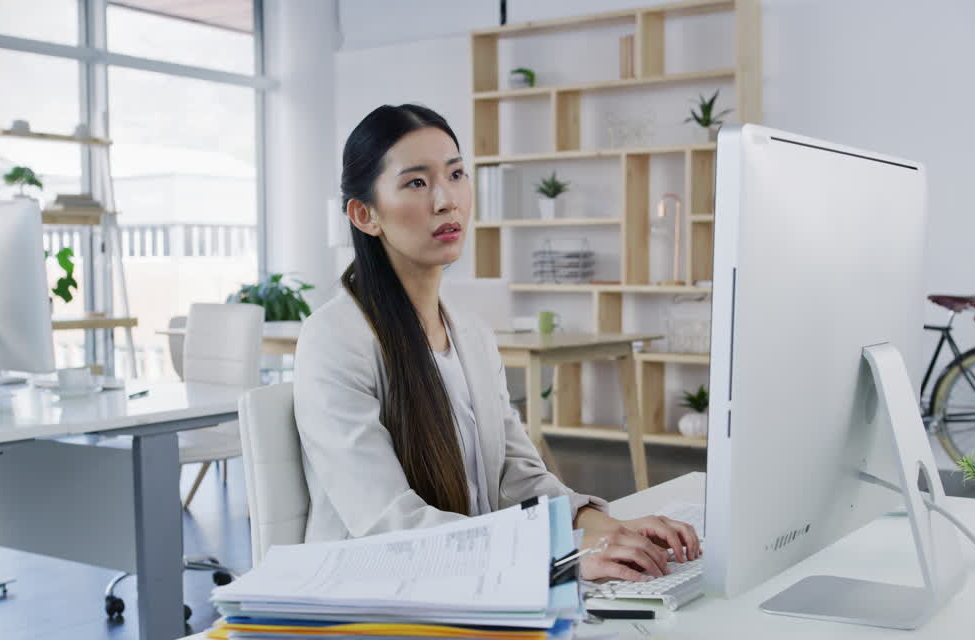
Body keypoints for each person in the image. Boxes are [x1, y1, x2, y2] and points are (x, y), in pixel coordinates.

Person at [293, 104, 700, 582]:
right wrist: (560, 563)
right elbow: (390, 525)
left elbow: (518, 476)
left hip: (481, 582)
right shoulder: (334, 340)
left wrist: (612, 530)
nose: (447, 201)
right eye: (416, 183)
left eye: (457, 174)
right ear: (365, 215)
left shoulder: (472, 335)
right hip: (376, 598)